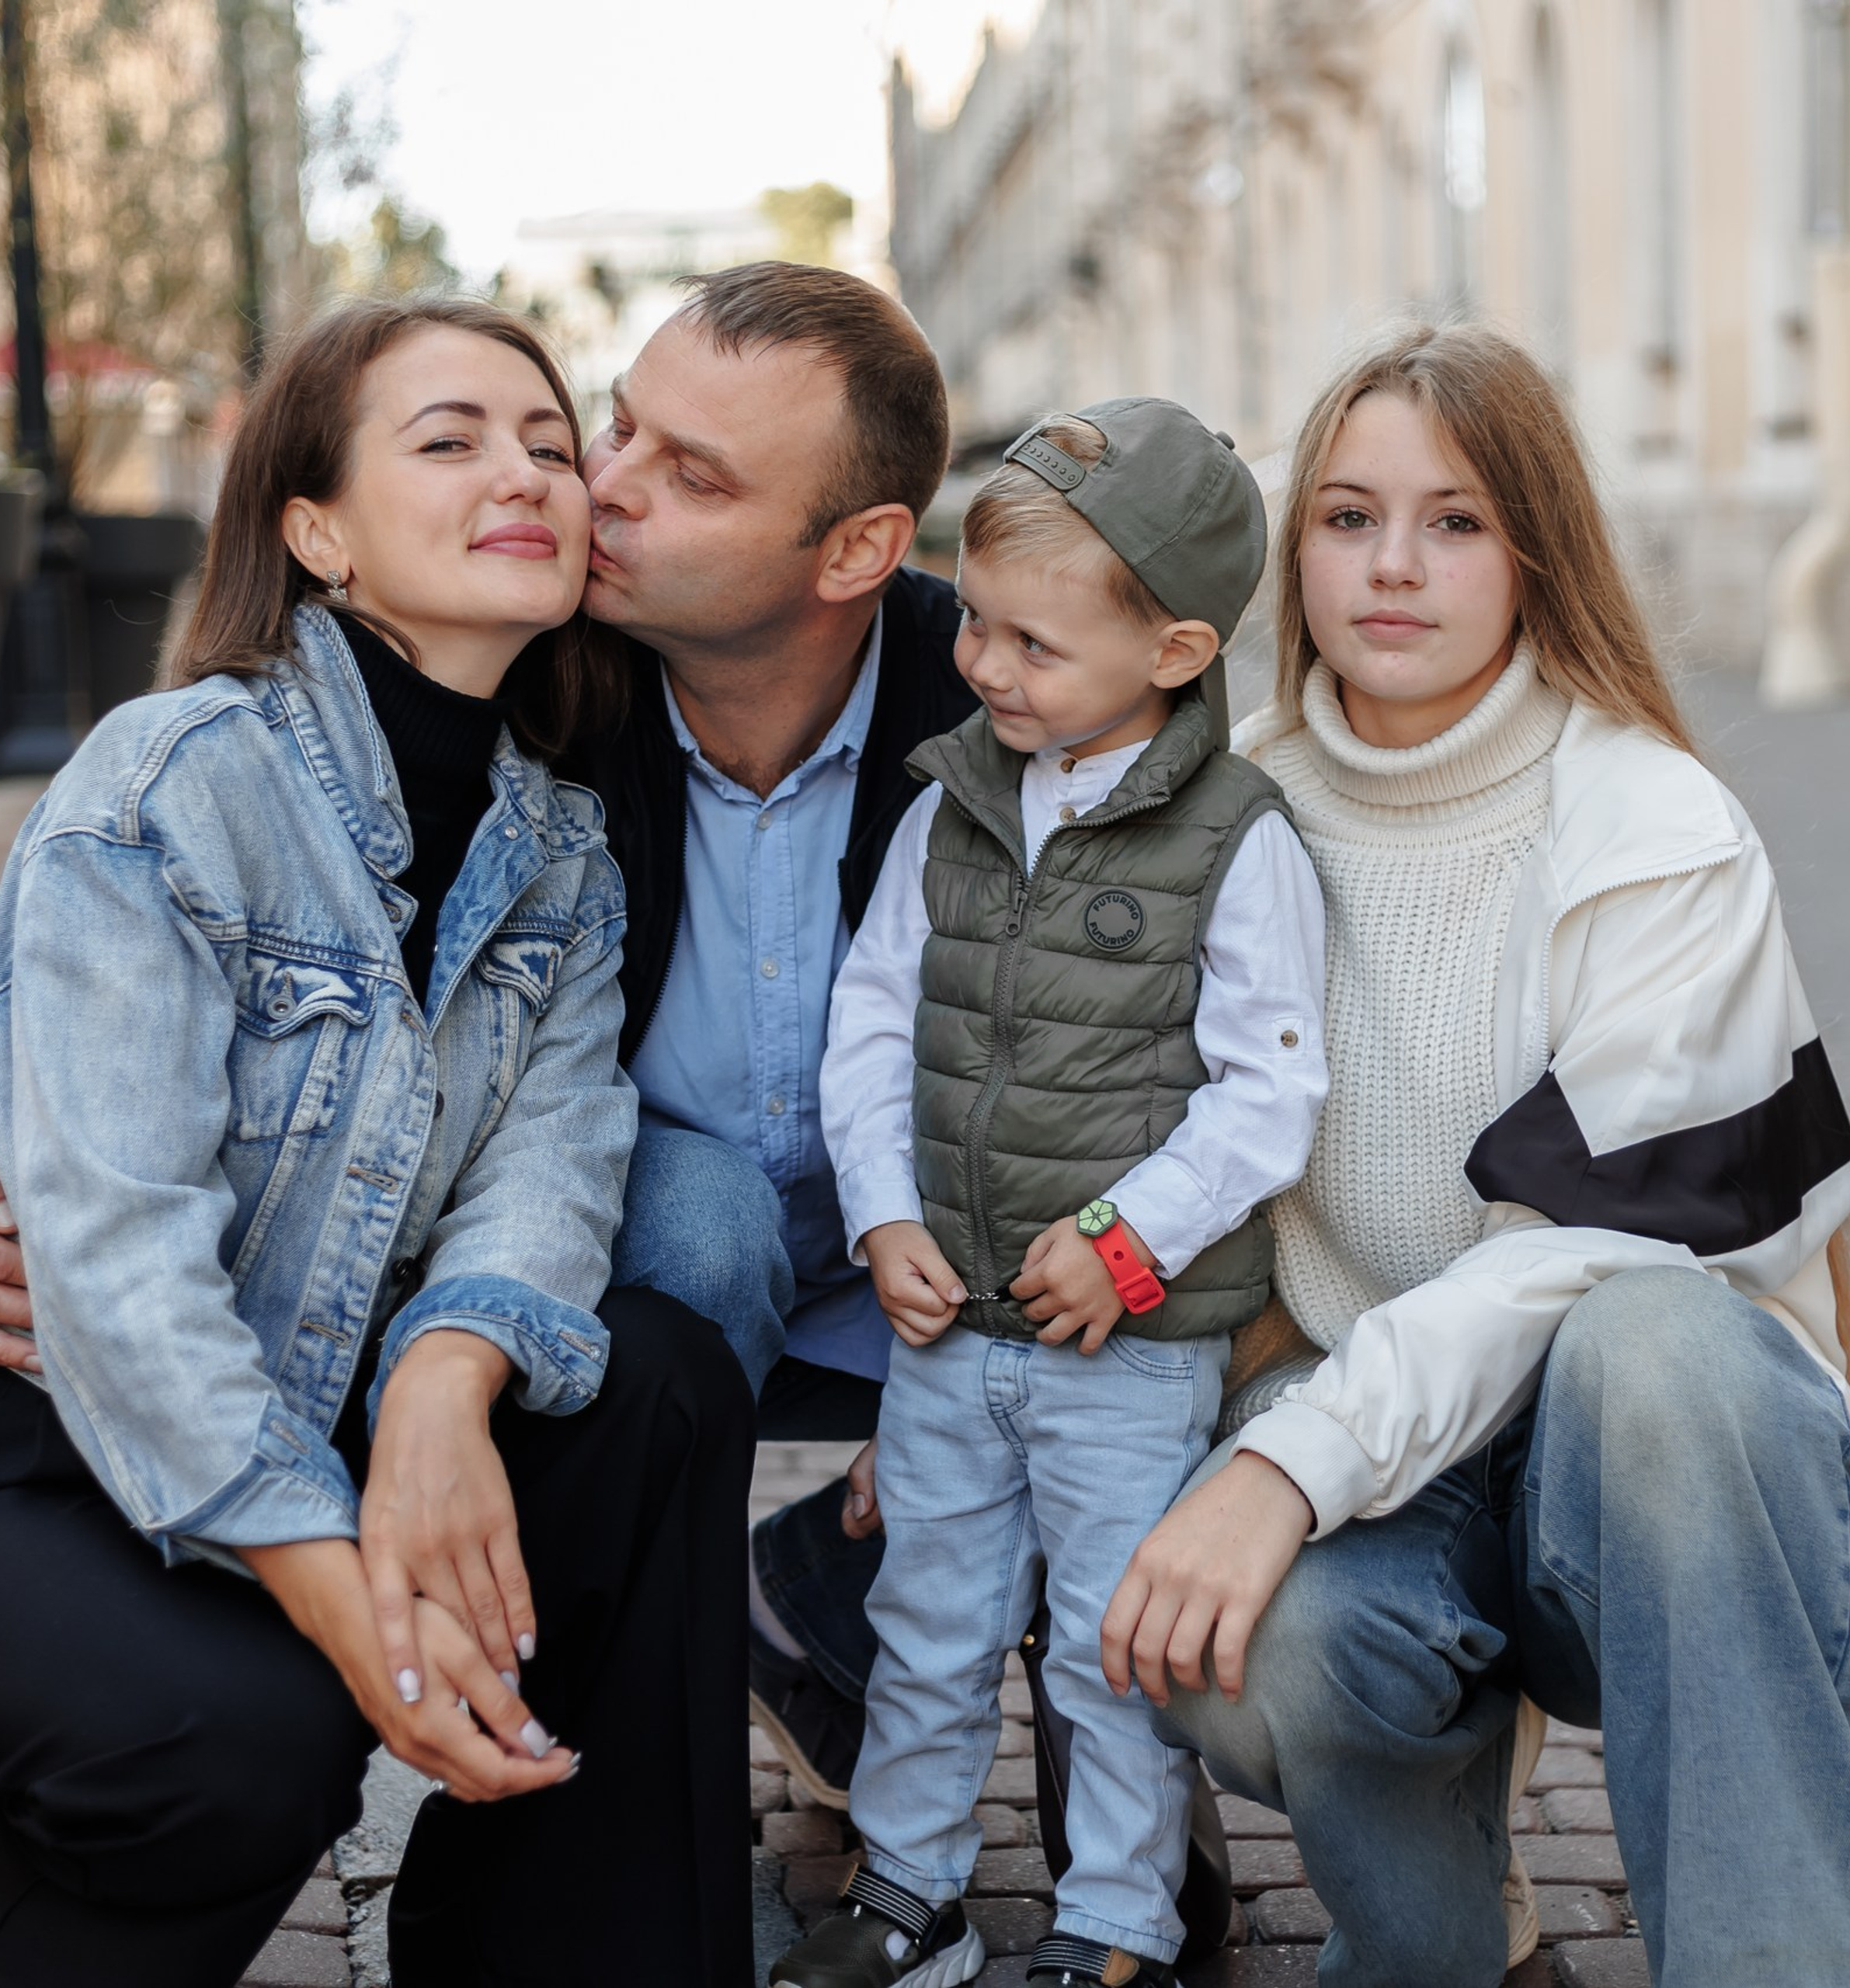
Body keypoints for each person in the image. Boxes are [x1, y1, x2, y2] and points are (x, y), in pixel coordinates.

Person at [1097, 325, 1850, 1988]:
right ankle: (1444, 1942)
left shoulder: (1646, 820)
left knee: (1656, 1341)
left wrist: (1286, 1466)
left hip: (1644, 1483)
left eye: (1454, 520)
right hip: (1384, 1444)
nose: (1390, 566)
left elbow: (1592, 1244)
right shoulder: (1224, 815)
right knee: (1261, 1641)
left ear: (1534, 547)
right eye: (1343, 517)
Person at [0, 297, 756, 1988]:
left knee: (658, 1378)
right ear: (316, 531)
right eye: (451, 439)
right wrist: (357, 1613)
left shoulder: (554, 837)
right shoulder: (176, 779)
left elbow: (557, 1156)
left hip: (311, 1390)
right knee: (252, 1730)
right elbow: (112, 1258)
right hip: (61, 1438)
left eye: (551, 445)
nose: (528, 474)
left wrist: (444, 1378)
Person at [770, 401, 1330, 1988]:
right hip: (947, 1321)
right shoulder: (952, 801)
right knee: (928, 1626)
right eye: (979, 627)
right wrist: (881, 1209)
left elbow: (1268, 1088)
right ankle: (911, 1891)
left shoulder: (1236, 840)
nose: (986, 667)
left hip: (1123, 1348)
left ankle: (1116, 1929)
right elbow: (874, 1012)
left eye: (1032, 643)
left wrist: (1127, 1242)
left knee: (1110, 1650)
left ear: (1172, 648)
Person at [561, 260, 975, 1803]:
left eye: (689, 473)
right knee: (708, 1213)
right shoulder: (542, 687)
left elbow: (1132, 1076)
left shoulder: (1007, 702)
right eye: (617, 430)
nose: (605, 490)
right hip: (667, 1263)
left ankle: (817, 1600)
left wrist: (973, 1381)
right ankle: (634, 1755)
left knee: (1118, 1340)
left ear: (857, 546)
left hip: (936, 1254)